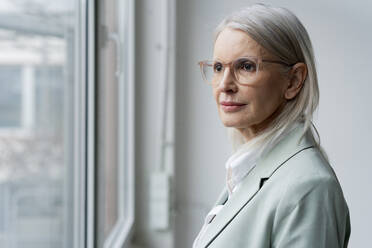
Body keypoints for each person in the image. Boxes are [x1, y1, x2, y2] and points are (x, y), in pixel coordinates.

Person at [193, 3, 351, 248]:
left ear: (294, 80)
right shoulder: (248, 169)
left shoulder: (308, 187)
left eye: (246, 66)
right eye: (218, 67)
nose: (225, 84)